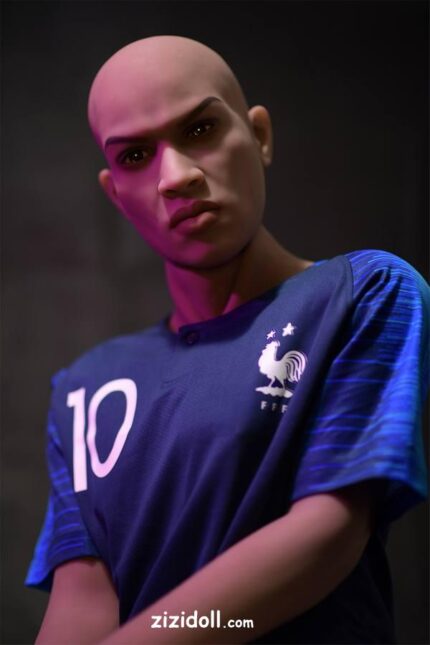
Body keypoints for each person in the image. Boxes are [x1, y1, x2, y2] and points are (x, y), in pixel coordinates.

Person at [26, 35, 429, 644]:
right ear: (115, 194)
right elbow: (82, 603)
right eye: (135, 156)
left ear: (259, 135)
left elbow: (328, 533)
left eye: (200, 129)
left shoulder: (363, 294)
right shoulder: (85, 389)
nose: (176, 177)